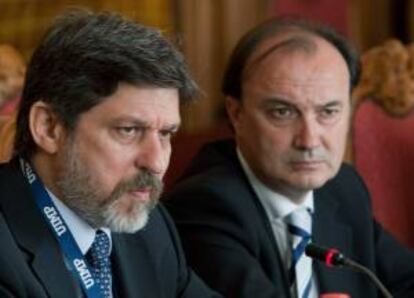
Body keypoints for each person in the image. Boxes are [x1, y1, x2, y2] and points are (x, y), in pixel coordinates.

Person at [165, 17, 414, 298]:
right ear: (237, 114)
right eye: (282, 112)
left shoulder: (342, 188)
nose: (309, 140)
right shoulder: (204, 205)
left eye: (328, 112)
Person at [0, 9, 221, 298]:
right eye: (128, 130)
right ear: (49, 127)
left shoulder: (150, 225)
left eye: (166, 133)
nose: (156, 162)